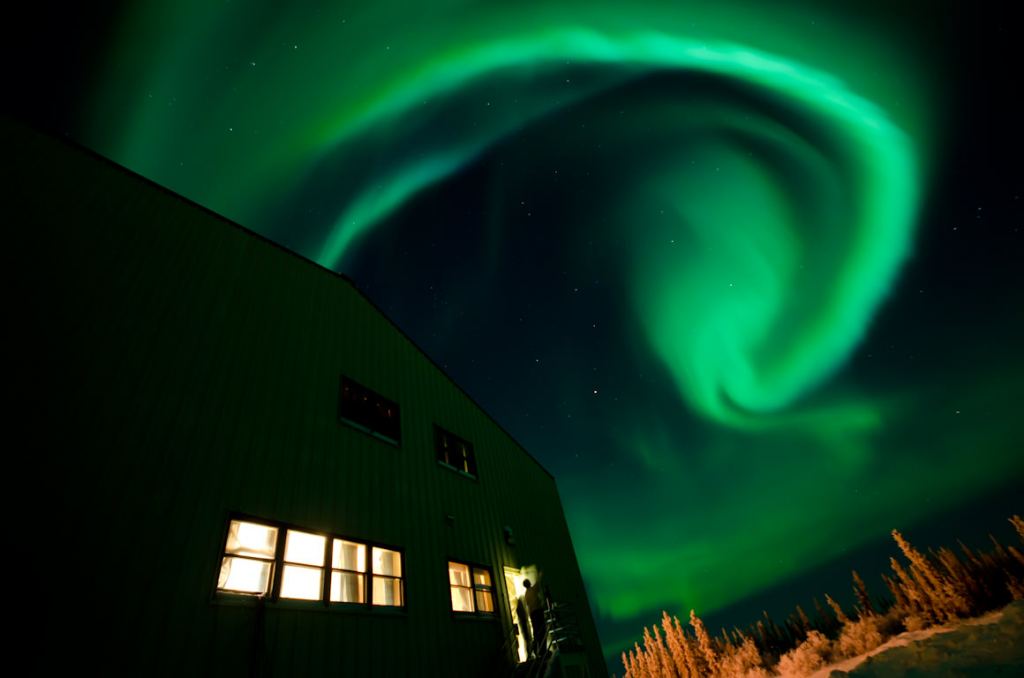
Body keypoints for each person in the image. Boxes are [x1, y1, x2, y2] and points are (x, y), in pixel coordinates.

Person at [522, 578, 547, 657]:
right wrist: (540, 573)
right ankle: (543, 651)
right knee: (542, 631)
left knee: (536, 632)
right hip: (538, 612)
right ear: (528, 583)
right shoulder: (532, 590)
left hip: (532, 614)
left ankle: (536, 650)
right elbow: (538, 582)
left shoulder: (526, 594)